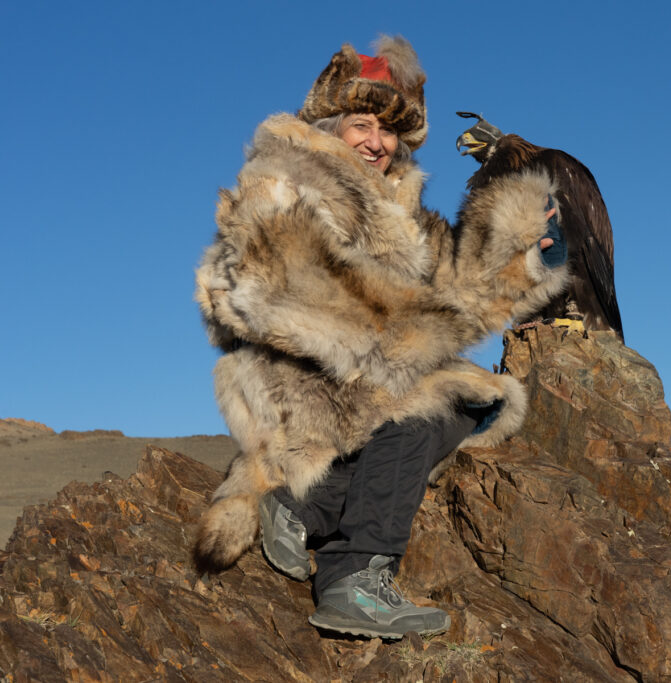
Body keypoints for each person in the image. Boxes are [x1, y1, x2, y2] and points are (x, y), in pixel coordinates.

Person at [193, 36, 569, 639]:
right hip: (297, 382)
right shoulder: (284, 176)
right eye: (361, 124)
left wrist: (523, 254)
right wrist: (402, 343)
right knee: (419, 408)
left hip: (366, 374)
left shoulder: (402, 205)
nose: (377, 142)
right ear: (332, 123)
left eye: (389, 131)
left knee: (464, 402)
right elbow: (267, 291)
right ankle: (354, 578)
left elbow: (456, 286)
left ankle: (300, 508)